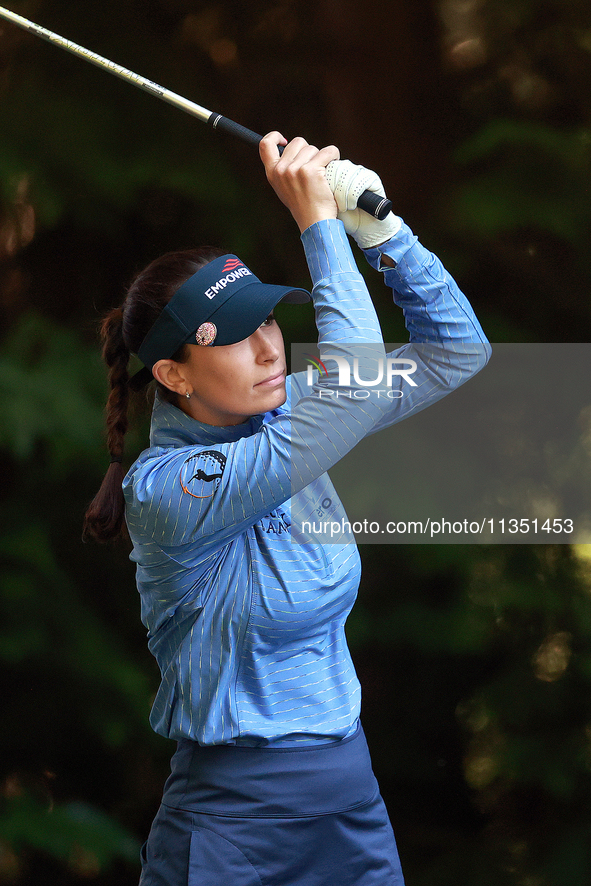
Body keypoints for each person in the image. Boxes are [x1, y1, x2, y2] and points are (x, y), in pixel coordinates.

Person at [84, 132, 490, 886]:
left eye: (267, 319)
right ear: (172, 372)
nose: (269, 348)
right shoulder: (165, 488)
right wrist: (317, 229)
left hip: (348, 804)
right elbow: (355, 392)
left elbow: (457, 352)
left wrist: (378, 232)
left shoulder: (295, 412)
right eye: (235, 336)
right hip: (230, 827)